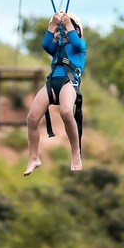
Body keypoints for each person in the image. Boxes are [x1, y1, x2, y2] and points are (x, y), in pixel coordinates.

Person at [24, 11, 86, 176]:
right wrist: (53, 24)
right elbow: (46, 44)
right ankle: (34, 158)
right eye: (59, 32)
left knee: (66, 112)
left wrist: (67, 24)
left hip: (69, 82)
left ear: (76, 30)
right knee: (31, 118)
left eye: (65, 30)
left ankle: (75, 152)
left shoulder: (80, 46)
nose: (62, 33)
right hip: (52, 83)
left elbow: (76, 42)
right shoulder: (56, 49)